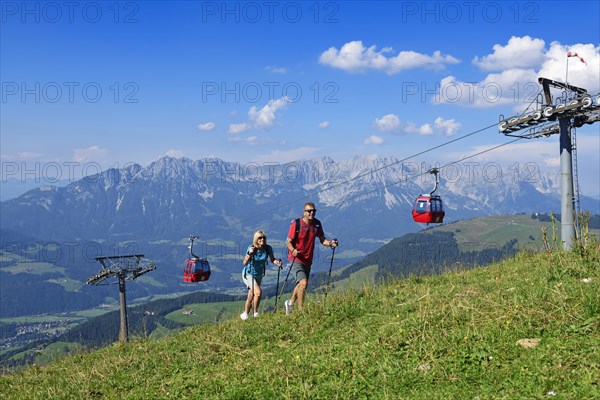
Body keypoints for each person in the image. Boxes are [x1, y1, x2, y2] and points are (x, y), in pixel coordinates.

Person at [284, 202, 338, 315]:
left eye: (314, 211)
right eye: (309, 211)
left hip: (308, 259)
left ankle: (289, 304)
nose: (312, 213)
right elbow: (288, 242)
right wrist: (293, 250)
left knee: (300, 285)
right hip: (296, 258)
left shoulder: (317, 224)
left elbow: (322, 239)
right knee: (303, 283)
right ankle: (300, 311)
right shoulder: (296, 224)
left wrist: (330, 243)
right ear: (304, 212)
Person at [241, 230, 282, 320]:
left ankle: (245, 314)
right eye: (260, 238)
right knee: (258, 293)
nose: (262, 239)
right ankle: (255, 314)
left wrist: (277, 263)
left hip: (259, 275)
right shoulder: (251, 248)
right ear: (256, 239)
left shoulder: (267, 248)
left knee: (251, 296)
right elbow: (245, 262)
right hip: (248, 274)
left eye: (263, 237)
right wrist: (249, 254)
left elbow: (272, 259)